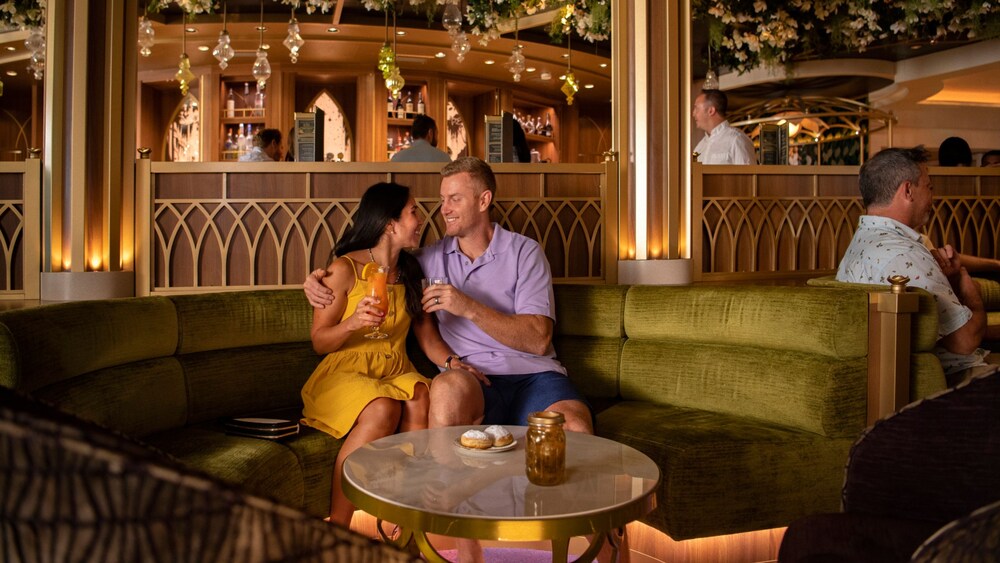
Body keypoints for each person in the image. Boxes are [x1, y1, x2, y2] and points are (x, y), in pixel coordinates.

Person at [305, 158, 592, 433]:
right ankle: (439, 484)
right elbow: (375, 265)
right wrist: (315, 281)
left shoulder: (525, 253)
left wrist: (468, 306)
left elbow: (539, 340)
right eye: (443, 199)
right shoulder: (422, 262)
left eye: (455, 198)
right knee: (443, 391)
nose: (444, 209)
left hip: (535, 377)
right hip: (472, 379)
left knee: (575, 427)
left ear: (484, 200)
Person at [300, 182, 471, 527]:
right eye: (413, 212)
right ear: (390, 223)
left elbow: (426, 335)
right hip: (345, 370)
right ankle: (338, 525)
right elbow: (320, 342)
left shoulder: (410, 270)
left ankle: (405, 521)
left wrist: (455, 364)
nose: (421, 219)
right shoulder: (344, 270)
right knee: (383, 407)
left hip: (394, 369)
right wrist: (353, 322)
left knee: (423, 396)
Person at [836, 146, 995, 383]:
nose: (932, 197)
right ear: (909, 190)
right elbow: (965, 341)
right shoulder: (905, 254)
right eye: (929, 187)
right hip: (951, 380)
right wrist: (964, 284)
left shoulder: (860, 244)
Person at [692, 89, 756, 165]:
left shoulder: (737, 140)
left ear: (711, 110)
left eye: (697, 108)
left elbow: (748, 176)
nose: (693, 114)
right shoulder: (699, 147)